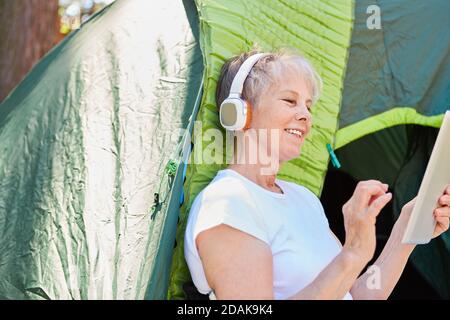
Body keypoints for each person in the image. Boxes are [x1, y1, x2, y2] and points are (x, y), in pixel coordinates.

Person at [184, 50, 450, 300]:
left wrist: (407, 230)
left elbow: (351, 295)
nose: (305, 116)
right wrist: (354, 253)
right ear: (239, 113)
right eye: (290, 101)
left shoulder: (304, 198)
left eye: (308, 107)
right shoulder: (227, 204)